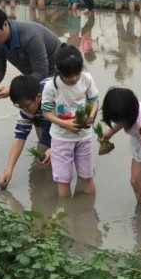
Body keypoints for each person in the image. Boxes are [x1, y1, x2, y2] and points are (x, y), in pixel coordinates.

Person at [41, 45, 99, 198]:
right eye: (68, 75)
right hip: (61, 139)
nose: (73, 78)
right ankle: (66, 214)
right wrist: (65, 124)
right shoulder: (51, 86)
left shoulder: (86, 79)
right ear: (58, 70)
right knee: (63, 180)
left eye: (77, 74)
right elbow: (46, 112)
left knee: (87, 176)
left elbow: (94, 101)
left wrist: (91, 116)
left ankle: (87, 214)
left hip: (84, 137)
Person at [0, 7, 61, 98]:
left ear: (5, 24)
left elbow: (41, 73)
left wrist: (13, 89)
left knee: (31, 103)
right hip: (34, 76)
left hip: (59, 73)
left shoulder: (30, 37)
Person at [0, 75, 53, 190]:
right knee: (44, 155)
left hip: (68, 113)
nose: (23, 109)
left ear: (37, 97)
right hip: (42, 111)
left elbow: (68, 126)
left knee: (54, 151)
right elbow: (19, 138)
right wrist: (9, 169)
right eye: (19, 106)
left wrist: (56, 148)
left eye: (25, 106)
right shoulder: (27, 108)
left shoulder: (55, 97)